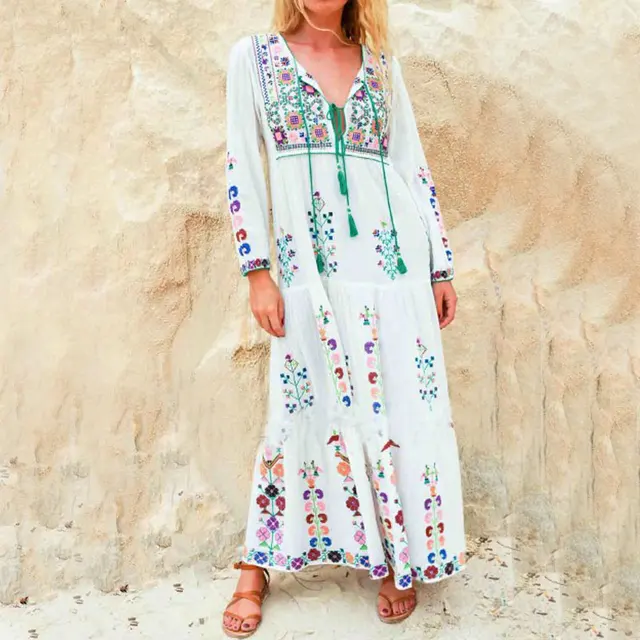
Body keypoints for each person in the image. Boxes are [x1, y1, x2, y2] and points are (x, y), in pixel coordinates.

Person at [222, 0, 465, 636]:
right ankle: (256, 563)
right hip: (308, 272)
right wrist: (257, 270)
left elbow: (411, 165)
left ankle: (397, 554)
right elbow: (242, 164)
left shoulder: (382, 67)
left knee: (392, 406)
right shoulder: (255, 59)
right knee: (296, 406)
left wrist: (439, 265)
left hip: (392, 270)